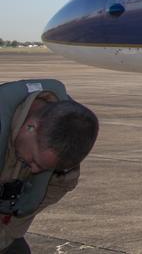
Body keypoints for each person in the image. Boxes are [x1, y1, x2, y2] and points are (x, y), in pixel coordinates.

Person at [1, 80, 99, 254]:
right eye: (34, 161)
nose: (35, 171)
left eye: (46, 168)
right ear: (30, 127)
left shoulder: (67, 141)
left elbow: (55, 187)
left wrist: (6, 236)